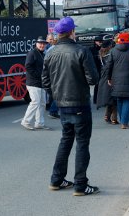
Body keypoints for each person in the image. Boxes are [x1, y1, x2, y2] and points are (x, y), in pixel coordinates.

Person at [42, 16, 100, 196]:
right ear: (72, 32)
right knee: (82, 143)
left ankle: (56, 180)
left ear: (58, 34)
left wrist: (58, 94)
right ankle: (80, 185)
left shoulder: (50, 52)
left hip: (62, 104)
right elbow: (93, 79)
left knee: (66, 140)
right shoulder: (81, 51)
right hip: (80, 103)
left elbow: (45, 82)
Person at [105, 32, 129, 129]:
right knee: (127, 99)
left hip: (116, 79)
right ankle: (124, 122)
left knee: (119, 99)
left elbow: (109, 66)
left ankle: (123, 120)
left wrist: (109, 78)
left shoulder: (113, 51)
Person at [21, 36, 49, 130]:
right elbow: (28, 66)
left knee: (42, 103)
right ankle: (26, 121)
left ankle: (39, 123)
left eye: (43, 44)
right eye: (40, 43)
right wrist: (38, 75)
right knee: (35, 102)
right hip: (33, 82)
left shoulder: (42, 54)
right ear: (36, 44)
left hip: (41, 83)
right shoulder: (32, 53)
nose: (42, 45)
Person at [96, 40, 118, 124]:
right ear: (109, 46)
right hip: (110, 77)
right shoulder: (110, 55)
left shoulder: (101, 54)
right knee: (114, 98)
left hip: (103, 77)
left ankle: (107, 115)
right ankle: (114, 118)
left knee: (110, 98)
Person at [90, 36, 103, 104]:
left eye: (101, 41)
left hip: (102, 68)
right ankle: (96, 99)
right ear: (95, 42)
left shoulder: (103, 48)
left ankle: (101, 99)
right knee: (98, 85)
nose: (100, 43)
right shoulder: (92, 49)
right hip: (96, 68)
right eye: (99, 41)